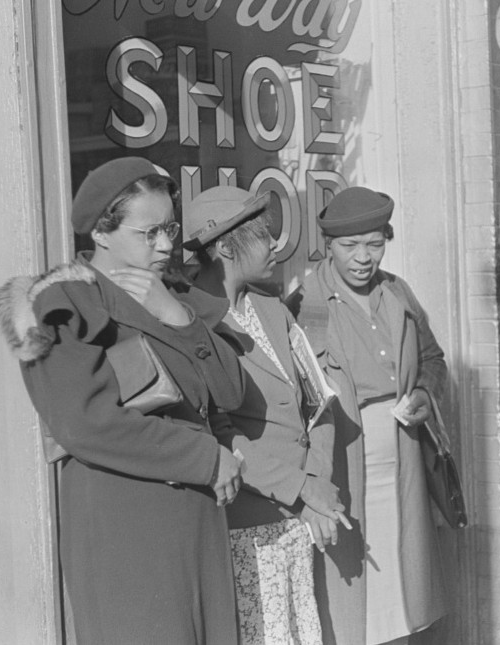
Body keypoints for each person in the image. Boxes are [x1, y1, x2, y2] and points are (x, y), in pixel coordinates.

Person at [0, 157, 246, 644]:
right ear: (102, 233)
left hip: (194, 518)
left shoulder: (171, 293)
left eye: (170, 228)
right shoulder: (66, 302)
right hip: (127, 520)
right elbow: (84, 423)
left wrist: (177, 316)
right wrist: (205, 458)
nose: (167, 245)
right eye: (149, 232)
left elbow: (231, 391)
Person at [180, 185, 348, 645]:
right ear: (224, 246)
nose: (276, 244)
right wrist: (301, 489)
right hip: (246, 530)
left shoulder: (274, 308)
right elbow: (217, 436)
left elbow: (319, 404)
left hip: (298, 521)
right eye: (263, 235)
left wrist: (316, 486)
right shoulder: (191, 322)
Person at [287, 187, 448, 645]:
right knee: (355, 596)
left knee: (405, 584)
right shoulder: (307, 307)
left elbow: (434, 358)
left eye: (374, 244)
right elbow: (298, 399)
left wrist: (423, 391)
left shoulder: (397, 293)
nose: (363, 257)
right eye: (350, 246)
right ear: (328, 246)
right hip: (345, 462)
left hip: (405, 460)